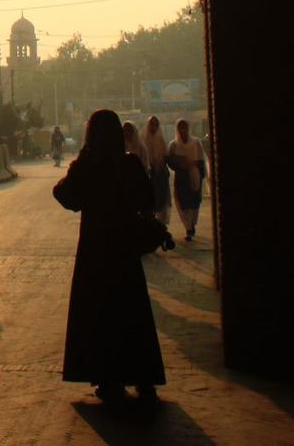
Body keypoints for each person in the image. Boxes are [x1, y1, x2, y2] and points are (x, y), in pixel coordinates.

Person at [53, 109, 166, 402]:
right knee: (132, 311)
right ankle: (143, 377)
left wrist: (82, 160)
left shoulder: (87, 168)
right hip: (125, 249)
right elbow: (148, 198)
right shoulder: (129, 164)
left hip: (95, 250)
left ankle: (108, 378)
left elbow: (64, 195)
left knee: (100, 314)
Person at [168, 118, 206, 242]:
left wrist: (198, 172)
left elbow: (201, 161)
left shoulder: (196, 143)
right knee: (182, 203)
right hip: (181, 178)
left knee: (194, 203)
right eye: (180, 127)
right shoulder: (174, 145)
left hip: (194, 176)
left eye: (185, 127)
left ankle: (192, 224)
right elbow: (170, 161)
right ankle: (188, 228)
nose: (183, 130)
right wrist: (181, 164)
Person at [141, 116, 171, 224]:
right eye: (151, 124)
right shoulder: (142, 140)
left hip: (160, 174)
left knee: (162, 200)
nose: (153, 127)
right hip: (149, 174)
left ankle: (161, 223)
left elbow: (166, 156)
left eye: (155, 124)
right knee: (150, 200)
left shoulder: (161, 139)